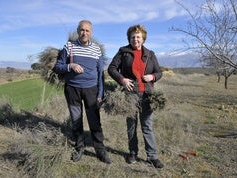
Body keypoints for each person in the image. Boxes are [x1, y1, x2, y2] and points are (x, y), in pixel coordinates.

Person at [54, 20, 111, 164]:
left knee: (95, 121)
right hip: (72, 88)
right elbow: (58, 66)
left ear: (91, 33)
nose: (84, 33)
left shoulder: (96, 49)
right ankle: (79, 147)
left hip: (91, 89)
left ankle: (100, 150)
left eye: (87, 30)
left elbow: (100, 74)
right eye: (81, 30)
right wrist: (70, 65)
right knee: (76, 120)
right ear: (78, 31)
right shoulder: (69, 46)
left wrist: (100, 93)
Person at [107, 24, 163, 168]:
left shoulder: (150, 54)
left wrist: (153, 77)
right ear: (129, 38)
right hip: (130, 95)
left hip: (147, 95)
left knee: (147, 126)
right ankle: (133, 153)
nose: (135, 39)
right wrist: (122, 80)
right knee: (131, 125)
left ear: (143, 38)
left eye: (138, 37)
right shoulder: (123, 52)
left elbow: (159, 72)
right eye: (132, 37)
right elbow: (112, 68)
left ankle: (152, 156)